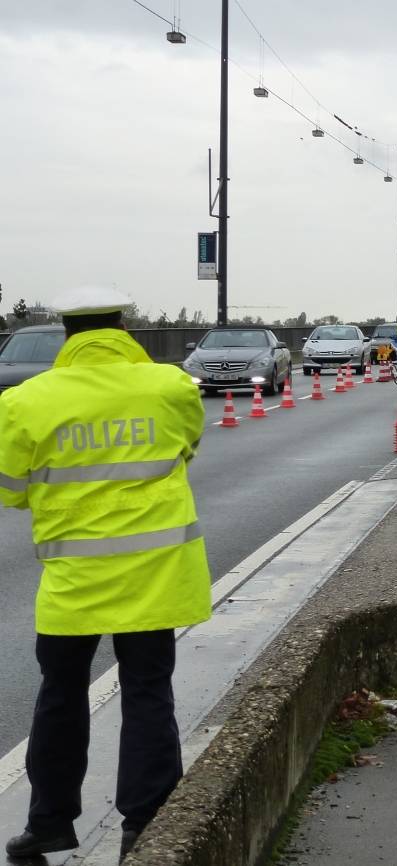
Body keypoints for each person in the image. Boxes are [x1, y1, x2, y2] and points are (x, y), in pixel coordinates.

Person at [0, 287, 211, 861]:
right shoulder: (170, 386)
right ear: (123, 327)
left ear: (67, 334)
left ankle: (48, 823)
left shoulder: (26, 400)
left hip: (73, 580)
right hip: (156, 572)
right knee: (147, 692)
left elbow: (11, 491)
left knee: (60, 695)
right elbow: (185, 449)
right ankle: (145, 825)